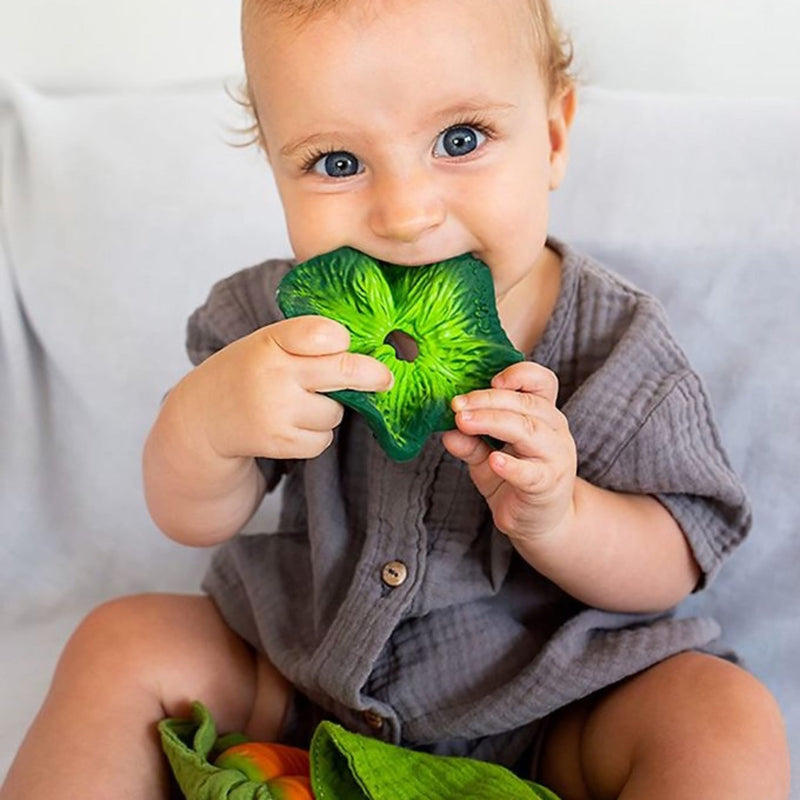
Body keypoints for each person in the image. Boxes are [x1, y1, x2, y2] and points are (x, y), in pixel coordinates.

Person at [1, 1, 790, 798]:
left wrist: (564, 516)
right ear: (274, 164)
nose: (407, 215)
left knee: (721, 714)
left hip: (550, 710)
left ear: (552, 136)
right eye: (337, 162)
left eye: (460, 140)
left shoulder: (615, 348)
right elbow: (194, 518)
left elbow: (678, 560)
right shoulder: (272, 325)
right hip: (302, 678)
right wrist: (204, 428)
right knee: (122, 640)